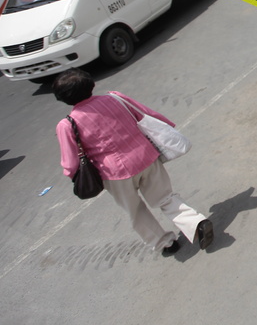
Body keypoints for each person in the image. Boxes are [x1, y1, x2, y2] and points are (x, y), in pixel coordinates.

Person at [54, 69, 214, 256]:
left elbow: (71, 163)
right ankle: (196, 223)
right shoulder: (115, 98)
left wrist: (73, 175)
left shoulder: (67, 125)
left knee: (136, 211)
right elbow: (146, 114)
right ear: (91, 84)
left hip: (115, 175)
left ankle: (166, 244)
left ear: (63, 98)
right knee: (165, 197)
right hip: (146, 156)